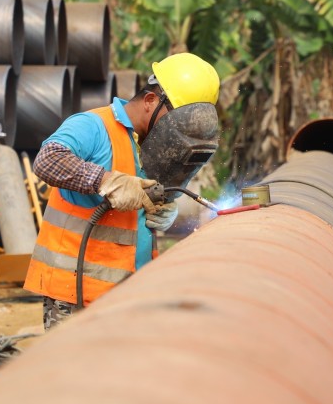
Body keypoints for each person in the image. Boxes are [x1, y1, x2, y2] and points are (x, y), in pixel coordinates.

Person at [24, 52, 221, 330]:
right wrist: (107, 181)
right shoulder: (92, 126)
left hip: (130, 293)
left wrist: (163, 206)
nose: (182, 132)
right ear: (151, 101)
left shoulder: (155, 149)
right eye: (179, 121)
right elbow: (48, 161)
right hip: (75, 294)